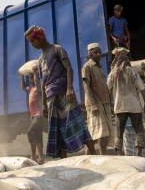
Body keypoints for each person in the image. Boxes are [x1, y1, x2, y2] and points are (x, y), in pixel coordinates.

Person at [24, 25, 96, 158]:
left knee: (77, 122)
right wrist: (44, 104)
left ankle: (95, 154)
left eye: (33, 41)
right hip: (51, 98)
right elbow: (43, 83)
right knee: (57, 130)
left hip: (64, 92)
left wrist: (69, 88)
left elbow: (69, 68)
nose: (32, 45)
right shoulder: (40, 60)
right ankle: (64, 162)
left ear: (40, 38)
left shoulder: (57, 49)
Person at [107, 47, 145, 156]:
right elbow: (143, 88)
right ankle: (139, 154)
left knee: (119, 133)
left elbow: (106, 90)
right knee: (139, 130)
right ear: (126, 57)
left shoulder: (112, 73)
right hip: (134, 106)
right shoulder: (132, 71)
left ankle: (118, 155)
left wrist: (110, 105)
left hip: (119, 107)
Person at [81, 43, 114, 155]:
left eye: (99, 52)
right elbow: (86, 86)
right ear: (90, 54)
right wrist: (93, 104)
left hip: (103, 102)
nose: (99, 54)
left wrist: (110, 103)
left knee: (95, 133)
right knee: (101, 132)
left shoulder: (99, 67)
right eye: (96, 52)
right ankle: (102, 156)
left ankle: (87, 157)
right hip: (95, 103)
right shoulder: (87, 67)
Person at [21, 65, 46, 164]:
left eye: (32, 78)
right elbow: (23, 87)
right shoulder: (30, 89)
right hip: (33, 116)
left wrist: (35, 73)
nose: (30, 80)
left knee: (30, 132)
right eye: (30, 78)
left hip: (39, 115)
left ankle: (33, 156)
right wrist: (22, 76)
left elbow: (37, 82)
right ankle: (41, 158)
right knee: (38, 136)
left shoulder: (39, 89)